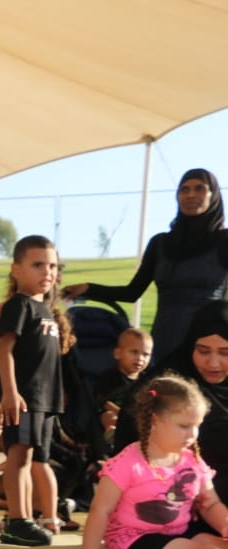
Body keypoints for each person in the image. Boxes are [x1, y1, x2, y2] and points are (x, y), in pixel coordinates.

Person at [57, 374, 228, 549]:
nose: (192, 434)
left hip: (179, 534)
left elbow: (210, 504)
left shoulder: (192, 459)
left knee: (218, 548)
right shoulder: (128, 462)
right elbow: (100, 509)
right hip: (135, 543)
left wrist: (225, 526)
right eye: (184, 426)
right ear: (156, 420)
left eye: (197, 425)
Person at [63, 168, 228, 357]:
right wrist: (88, 288)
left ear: (213, 195)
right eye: (184, 189)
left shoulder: (224, 241)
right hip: (164, 340)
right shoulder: (160, 243)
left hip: (209, 343)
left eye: (199, 188)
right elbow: (132, 292)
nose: (191, 194)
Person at [0, 235, 72, 545]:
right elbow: (5, 349)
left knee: (31, 458)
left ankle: (26, 516)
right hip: (24, 396)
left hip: (44, 399)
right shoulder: (19, 305)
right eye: (38, 264)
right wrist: (10, 392)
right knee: (19, 456)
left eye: (52, 265)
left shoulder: (47, 310)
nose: (47, 271)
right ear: (17, 269)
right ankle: (18, 519)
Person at [113, 299, 228, 504]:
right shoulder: (165, 387)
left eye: (225, 353)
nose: (213, 363)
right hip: (170, 505)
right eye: (203, 351)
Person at [92, 327, 153, 440]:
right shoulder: (109, 377)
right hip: (115, 413)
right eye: (134, 352)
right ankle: (111, 433)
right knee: (108, 416)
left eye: (145, 354)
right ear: (117, 353)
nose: (140, 358)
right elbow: (104, 402)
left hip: (136, 417)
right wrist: (122, 414)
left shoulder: (146, 380)